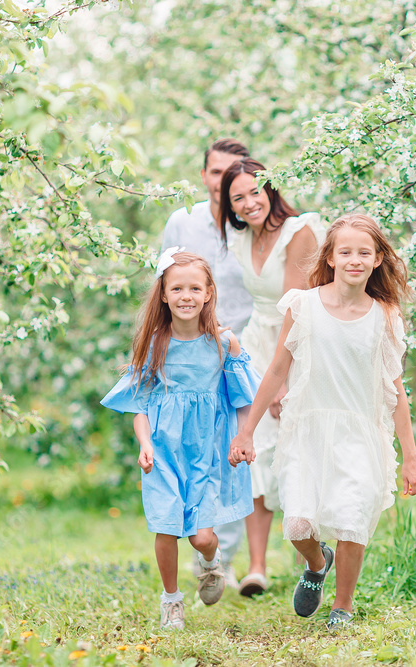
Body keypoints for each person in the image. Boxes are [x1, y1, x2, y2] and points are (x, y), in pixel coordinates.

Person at [228, 213, 416, 630]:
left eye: (364, 252)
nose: (355, 259)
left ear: (377, 260)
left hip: (361, 432)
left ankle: (343, 606)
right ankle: (317, 563)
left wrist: (411, 457)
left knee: (352, 519)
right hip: (307, 430)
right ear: (332, 258)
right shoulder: (303, 306)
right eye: (346, 252)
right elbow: (277, 370)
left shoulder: (385, 316)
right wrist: (246, 430)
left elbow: (396, 392)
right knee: (299, 523)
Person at [100, 249, 259, 630]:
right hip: (163, 450)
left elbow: (243, 397)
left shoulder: (223, 344)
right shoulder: (154, 343)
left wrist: (242, 437)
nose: (186, 296)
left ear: (208, 293)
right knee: (167, 525)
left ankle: (210, 562)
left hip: (207, 452)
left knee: (203, 537)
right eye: (177, 288)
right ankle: (171, 601)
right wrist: (145, 443)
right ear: (164, 295)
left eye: (194, 288)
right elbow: (140, 404)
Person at [218, 157, 324, 596]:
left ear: (270, 188)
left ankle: (312, 558)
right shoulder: (240, 236)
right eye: (236, 198)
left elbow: (295, 311)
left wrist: (280, 382)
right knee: (254, 451)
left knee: (295, 450)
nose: (247, 203)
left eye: (253, 192)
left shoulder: (299, 232)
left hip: (296, 347)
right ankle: (256, 567)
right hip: (256, 342)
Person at [161, 138, 253, 586]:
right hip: (188, 351)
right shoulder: (182, 220)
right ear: (204, 175)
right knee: (191, 451)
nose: (222, 181)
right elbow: (162, 281)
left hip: (237, 350)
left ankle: (222, 559)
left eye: (232, 173)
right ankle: (208, 551)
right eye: (215, 173)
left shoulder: (251, 221)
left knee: (232, 454)